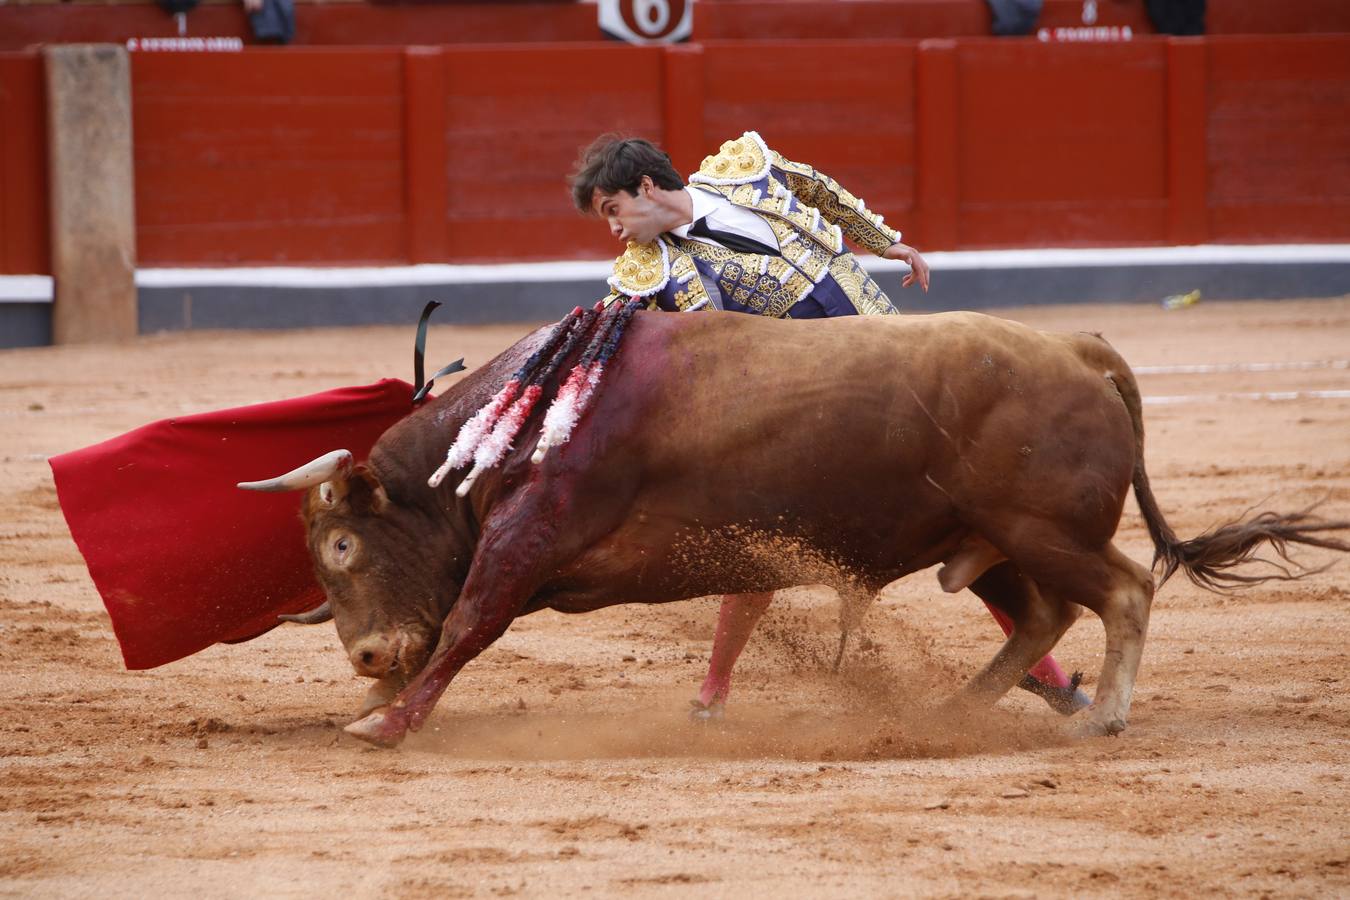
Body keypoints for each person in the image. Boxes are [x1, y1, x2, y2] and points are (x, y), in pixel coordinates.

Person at [569, 131, 1090, 719]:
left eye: (612, 210)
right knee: (762, 544)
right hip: (809, 415)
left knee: (964, 508)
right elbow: (610, 347)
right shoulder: (647, 273)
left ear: (645, 186)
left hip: (893, 363)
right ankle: (714, 692)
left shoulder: (741, 173)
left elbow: (818, 189)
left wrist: (886, 243)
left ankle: (1042, 673)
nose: (612, 229)